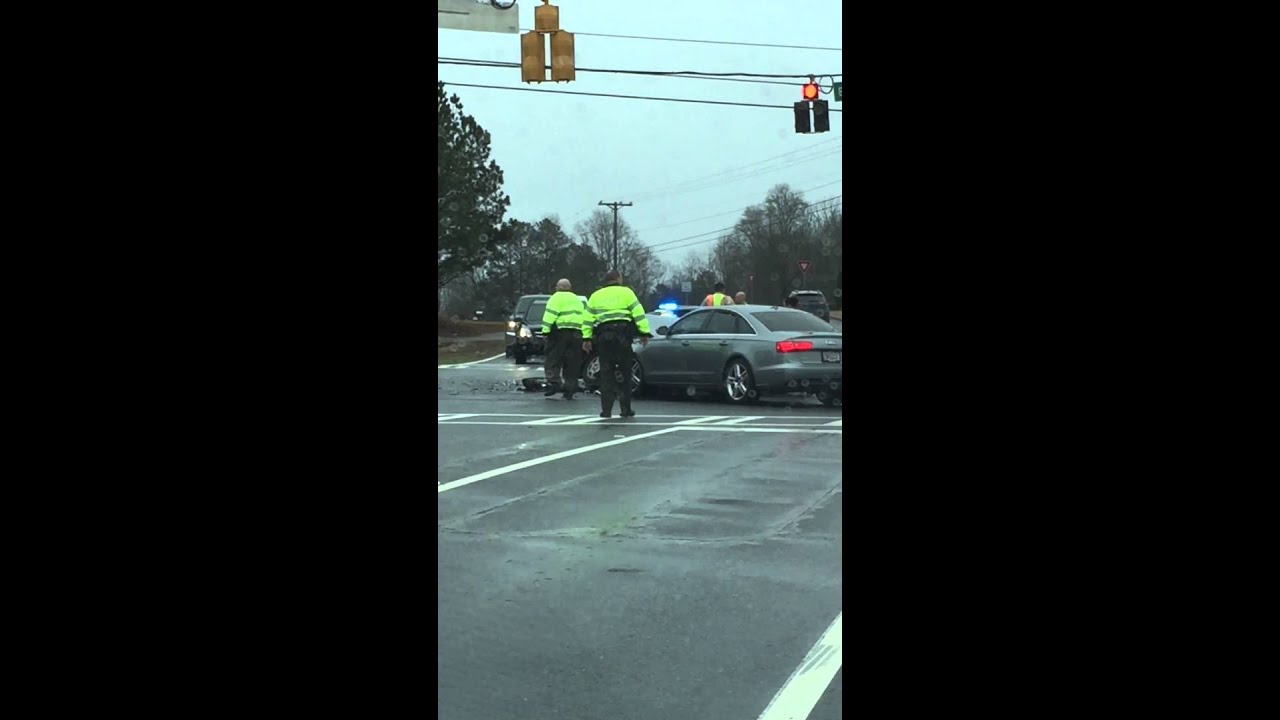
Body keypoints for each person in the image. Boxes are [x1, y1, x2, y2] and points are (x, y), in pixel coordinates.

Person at [582, 269, 651, 419]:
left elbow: (587, 320)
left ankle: (606, 411)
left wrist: (586, 339)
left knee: (606, 374)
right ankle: (625, 410)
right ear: (618, 279)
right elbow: (638, 313)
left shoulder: (595, 296)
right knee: (625, 373)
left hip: (604, 339)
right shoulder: (627, 293)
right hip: (622, 338)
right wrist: (644, 333)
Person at [540, 278, 586, 399]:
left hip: (559, 333)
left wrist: (545, 331)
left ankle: (555, 382)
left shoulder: (555, 298)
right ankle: (570, 388)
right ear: (570, 288)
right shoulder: (577, 299)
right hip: (576, 334)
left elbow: (549, 315)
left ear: (558, 287)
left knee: (552, 359)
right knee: (572, 362)